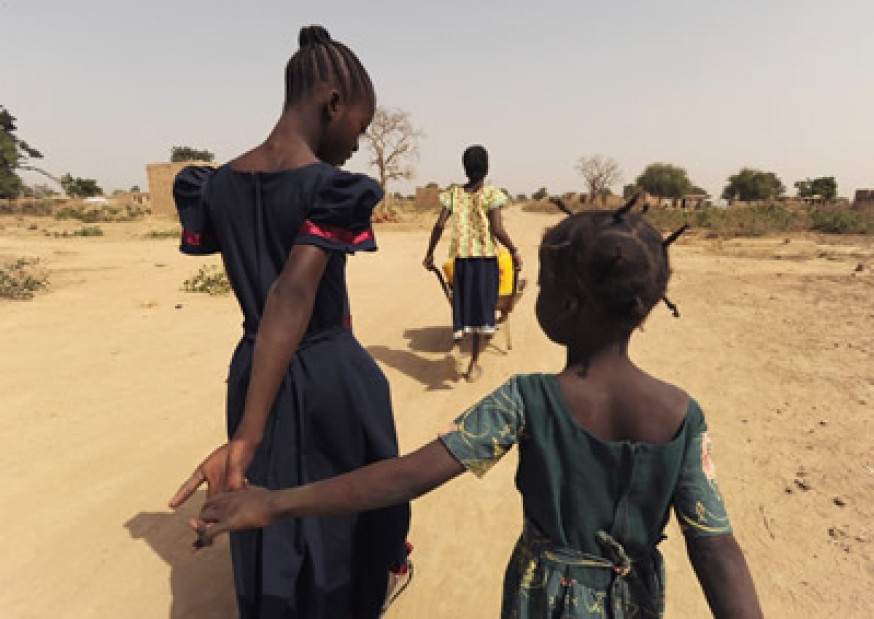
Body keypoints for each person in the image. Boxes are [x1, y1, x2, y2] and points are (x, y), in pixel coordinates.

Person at [190, 204, 763, 618]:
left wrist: (277, 501)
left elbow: (408, 475)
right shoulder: (683, 415)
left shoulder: (529, 399)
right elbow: (715, 545)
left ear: (566, 304)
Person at [167, 25, 410, 619]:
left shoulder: (213, 184)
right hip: (329, 373)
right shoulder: (333, 189)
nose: (358, 140)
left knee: (263, 507)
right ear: (332, 103)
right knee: (345, 510)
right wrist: (244, 438)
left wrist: (247, 429)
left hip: (256, 368)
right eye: (361, 122)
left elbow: (268, 304)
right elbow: (291, 296)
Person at [422, 145, 522, 382]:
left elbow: (438, 226)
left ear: (464, 168)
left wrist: (429, 253)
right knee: (481, 310)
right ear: (486, 168)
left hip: (461, 259)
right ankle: (473, 366)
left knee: (461, 303)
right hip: (486, 260)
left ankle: (456, 346)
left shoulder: (454, 194)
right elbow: (497, 229)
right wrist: (514, 250)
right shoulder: (492, 195)